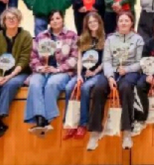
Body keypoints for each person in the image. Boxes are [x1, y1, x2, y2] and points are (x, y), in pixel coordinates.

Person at [87, 11, 144, 151]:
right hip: (112, 70)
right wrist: (110, 77)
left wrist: (127, 69)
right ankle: (95, 133)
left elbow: (140, 62)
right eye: (121, 21)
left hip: (129, 71)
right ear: (117, 23)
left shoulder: (138, 39)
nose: (123, 23)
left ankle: (127, 133)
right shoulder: (110, 39)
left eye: (126, 21)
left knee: (125, 88)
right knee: (98, 89)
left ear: (131, 23)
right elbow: (106, 61)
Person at [24, 10, 78, 136]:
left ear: (63, 19)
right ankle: (40, 119)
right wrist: (39, 68)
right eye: (52, 19)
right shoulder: (41, 36)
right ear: (49, 22)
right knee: (35, 83)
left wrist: (58, 69)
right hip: (43, 70)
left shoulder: (71, 35)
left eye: (57, 18)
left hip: (62, 71)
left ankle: (47, 119)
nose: (55, 21)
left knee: (51, 84)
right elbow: (33, 57)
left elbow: (75, 58)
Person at [0, 8, 31, 140]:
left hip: (18, 72)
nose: (11, 20)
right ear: (3, 21)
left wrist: (9, 76)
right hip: (0, 72)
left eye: (14, 18)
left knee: (11, 84)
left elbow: (24, 60)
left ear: (19, 20)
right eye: (8, 18)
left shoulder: (26, 36)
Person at [62, 11, 105, 140]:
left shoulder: (105, 39)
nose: (92, 24)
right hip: (83, 72)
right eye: (90, 22)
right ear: (86, 24)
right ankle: (70, 123)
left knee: (85, 88)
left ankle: (83, 123)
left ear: (99, 22)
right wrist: (79, 75)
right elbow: (80, 59)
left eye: (95, 21)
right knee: (69, 88)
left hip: (98, 73)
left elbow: (106, 60)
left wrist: (95, 72)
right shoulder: (82, 39)